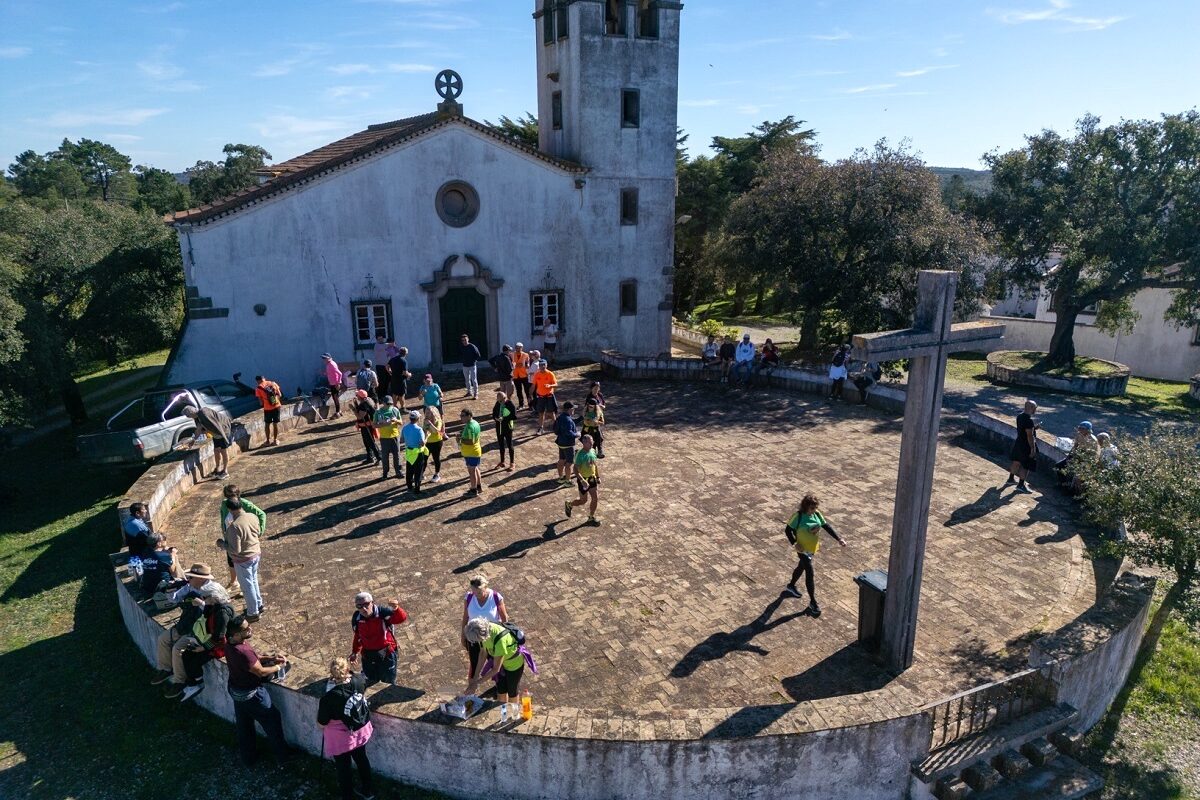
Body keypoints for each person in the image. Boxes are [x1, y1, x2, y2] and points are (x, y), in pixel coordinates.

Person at [225, 615, 291, 767]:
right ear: (235, 634)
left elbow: (253, 658)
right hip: (252, 695)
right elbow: (260, 672)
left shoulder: (230, 645)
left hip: (236, 691)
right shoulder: (242, 652)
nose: (250, 629)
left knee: (244, 727)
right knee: (272, 720)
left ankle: (249, 757)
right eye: (245, 629)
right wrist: (278, 667)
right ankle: (283, 757)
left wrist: (271, 658)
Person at [151, 569, 226, 695]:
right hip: (187, 623)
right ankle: (166, 669)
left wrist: (201, 604)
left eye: (191, 577)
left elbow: (218, 610)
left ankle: (180, 681)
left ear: (201, 579)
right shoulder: (190, 586)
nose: (188, 579)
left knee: (177, 649)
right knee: (163, 639)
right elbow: (174, 600)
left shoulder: (212, 590)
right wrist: (170, 588)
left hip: (201, 630)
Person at [318, 657, 375, 800]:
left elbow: (321, 723)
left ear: (332, 675)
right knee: (362, 760)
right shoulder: (359, 681)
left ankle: (347, 796)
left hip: (340, 738)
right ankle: (368, 791)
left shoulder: (328, 698)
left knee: (343, 768)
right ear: (347, 669)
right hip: (359, 729)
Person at [782, 494, 846, 617]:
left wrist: (839, 539)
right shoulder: (798, 516)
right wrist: (795, 543)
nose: (814, 511)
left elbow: (826, 526)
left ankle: (791, 586)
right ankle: (813, 602)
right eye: (812, 508)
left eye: (815, 508)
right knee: (809, 572)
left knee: (801, 567)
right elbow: (787, 530)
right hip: (802, 550)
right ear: (805, 507)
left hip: (812, 549)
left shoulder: (816, 514)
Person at [178, 583, 236, 702]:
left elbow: (219, 637)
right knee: (186, 654)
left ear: (214, 597)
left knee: (193, 659)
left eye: (205, 597)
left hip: (219, 646)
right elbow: (206, 616)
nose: (203, 599)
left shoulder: (222, 613)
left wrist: (203, 648)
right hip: (211, 640)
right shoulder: (214, 605)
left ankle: (196, 684)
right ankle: (195, 682)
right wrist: (202, 604)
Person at [463, 618, 525, 713]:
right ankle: (503, 713)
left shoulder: (500, 639)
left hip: (514, 665)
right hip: (500, 662)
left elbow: (496, 669)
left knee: (512, 692)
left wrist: (477, 683)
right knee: (501, 690)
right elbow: (483, 653)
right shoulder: (480, 630)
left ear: (484, 635)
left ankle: (514, 714)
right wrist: (475, 678)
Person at [349, 591, 408, 686]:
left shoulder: (382, 613)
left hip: (386, 653)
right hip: (368, 654)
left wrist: (396, 608)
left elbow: (401, 619)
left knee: (388, 680)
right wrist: (355, 652)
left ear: (372, 602)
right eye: (359, 606)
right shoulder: (357, 618)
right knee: (370, 678)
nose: (364, 609)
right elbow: (358, 636)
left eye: (366, 604)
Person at [221, 496, 265, 621]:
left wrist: (223, 544)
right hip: (255, 553)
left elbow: (235, 550)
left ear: (230, 509)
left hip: (243, 559)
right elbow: (257, 532)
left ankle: (253, 612)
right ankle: (259, 604)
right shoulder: (252, 516)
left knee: (247, 586)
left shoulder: (234, 526)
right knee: (253, 580)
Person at [459, 575, 509, 683]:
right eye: (474, 592)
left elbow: (504, 618)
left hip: (492, 638)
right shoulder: (468, 597)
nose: (476, 595)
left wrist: (503, 638)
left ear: (486, 586)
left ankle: (499, 686)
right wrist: (463, 636)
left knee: (496, 664)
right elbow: (465, 617)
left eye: (479, 592)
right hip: (473, 637)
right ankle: (471, 688)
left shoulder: (496, 597)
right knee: (474, 663)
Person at [181, 404, 232, 479]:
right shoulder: (197, 417)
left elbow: (216, 424)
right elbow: (198, 430)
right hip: (216, 434)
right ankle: (217, 469)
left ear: (191, 413)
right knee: (216, 451)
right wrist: (193, 440)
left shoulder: (204, 413)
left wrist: (224, 437)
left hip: (223, 431)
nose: (188, 417)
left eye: (188, 416)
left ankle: (225, 471)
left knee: (223, 451)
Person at [1004, 399, 1039, 494]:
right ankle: (1021, 485)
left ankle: (1010, 479)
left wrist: (1034, 428)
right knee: (1025, 465)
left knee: (1016, 462)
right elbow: (1029, 436)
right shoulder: (1029, 420)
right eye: (1035, 408)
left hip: (1018, 443)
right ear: (1031, 408)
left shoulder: (1019, 416)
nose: (1035, 410)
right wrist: (1032, 448)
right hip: (1026, 446)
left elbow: (1023, 430)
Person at [564, 433, 600, 524]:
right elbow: (575, 469)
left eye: (592, 442)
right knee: (583, 501)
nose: (592, 444)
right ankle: (569, 504)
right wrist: (582, 480)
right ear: (584, 443)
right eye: (590, 443)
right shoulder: (580, 455)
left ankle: (591, 517)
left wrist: (597, 476)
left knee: (595, 498)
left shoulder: (592, 451)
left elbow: (595, 465)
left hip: (592, 478)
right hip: (583, 480)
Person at [1057, 420, 1100, 496]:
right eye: (1079, 428)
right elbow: (1075, 446)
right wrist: (1069, 457)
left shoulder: (1092, 440)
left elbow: (1093, 455)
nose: (1079, 430)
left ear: (1088, 430)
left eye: (1082, 428)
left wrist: (1084, 462)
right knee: (1059, 466)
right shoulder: (1079, 435)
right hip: (1077, 456)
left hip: (1087, 460)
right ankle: (1063, 485)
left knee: (1078, 477)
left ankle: (1078, 494)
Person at [373, 395, 404, 480]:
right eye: (388, 403)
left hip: (395, 436)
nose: (389, 405)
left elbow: (401, 422)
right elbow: (374, 425)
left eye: (391, 403)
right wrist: (383, 424)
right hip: (384, 438)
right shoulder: (378, 412)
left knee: (397, 455)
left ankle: (398, 471)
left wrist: (396, 420)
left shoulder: (395, 410)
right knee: (385, 456)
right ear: (383, 403)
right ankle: (385, 473)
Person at [401, 410, 429, 494]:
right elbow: (422, 443)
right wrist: (427, 436)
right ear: (417, 419)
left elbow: (402, 439)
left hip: (409, 452)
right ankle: (417, 489)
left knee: (409, 470)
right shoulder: (419, 429)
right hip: (418, 453)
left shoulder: (405, 428)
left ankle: (409, 486)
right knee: (418, 471)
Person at [351, 389, 381, 464]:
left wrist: (353, 409)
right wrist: (356, 404)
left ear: (360, 397)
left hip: (367, 426)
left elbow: (360, 416)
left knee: (370, 442)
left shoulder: (364, 405)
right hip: (367, 425)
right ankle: (370, 457)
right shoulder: (368, 400)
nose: (356, 396)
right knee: (366, 442)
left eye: (357, 395)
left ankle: (378, 457)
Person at [459, 408, 484, 494]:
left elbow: (471, 441)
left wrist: (460, 439)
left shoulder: (470, 426)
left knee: (472, 472)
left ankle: (473, 490)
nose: (461, 418)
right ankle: (478, 486)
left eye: (463, 416)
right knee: (476, 469)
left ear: (469, 416)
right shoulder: (475, 423)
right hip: (475, 452)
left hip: (471, 453)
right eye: (460, 416)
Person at [553, 401, 579, 484]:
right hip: (568, 445)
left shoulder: (561, 417)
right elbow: (569, 432)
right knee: (569, 463)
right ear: (570, 409)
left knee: (561, 460)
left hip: (561, 443)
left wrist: (581, 418)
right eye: (573, 409)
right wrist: (577, 434)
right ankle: (568, 481)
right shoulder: (568, 420)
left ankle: (561, 478)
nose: (574, 410)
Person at [254, 375, 284, 446]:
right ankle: (275, 440)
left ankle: (267, 441)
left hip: (267, 409)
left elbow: (261, 403)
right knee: (275, 424)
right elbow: (280, 395)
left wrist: (266, 402)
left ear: (257, 381)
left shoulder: (258, 388)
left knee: (267, 425)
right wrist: (274, 401)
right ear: (264, 378)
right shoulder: (273, 383)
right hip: (276, 406)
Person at [491, 389, 517, 471]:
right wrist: (496, 418)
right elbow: (494, 413)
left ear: (505, 397)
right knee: (501, 445)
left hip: (508, 427)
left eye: (502, 400)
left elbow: (514, 416)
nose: (501, 402)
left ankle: (512, 463)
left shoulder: (510, 404)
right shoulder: (498, 403)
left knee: (510, 445)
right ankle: (502, 461)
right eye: (499, 401)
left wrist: (504, 418)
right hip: (499, 427)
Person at [532, 358, 558, 434]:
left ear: (546, 365)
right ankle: (541, 428)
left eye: (544, 365)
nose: (542, 366)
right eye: (541, 365)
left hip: (549, 396)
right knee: (541, 413)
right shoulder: (537, 374)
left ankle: (556, 427)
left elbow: (556, 384)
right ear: (539, 366)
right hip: (540, 396)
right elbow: (533, 385)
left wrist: (550, 385)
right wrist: (530, 395)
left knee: (551, 413)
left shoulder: (550, 374)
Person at [424, 405, 446, 483]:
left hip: (437, 442)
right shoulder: (425, 420)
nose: (426, 414)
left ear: (433, 413)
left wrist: (430, 424)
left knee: (436, 458)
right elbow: (425, 430)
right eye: (426, 412)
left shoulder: (438, 420)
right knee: (424, 459)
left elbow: (436, 431)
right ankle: (421, 474)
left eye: (428, 412)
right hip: (427, 443)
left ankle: (437, 474)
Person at [582, 392, 606, 459]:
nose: (590, 408)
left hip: (595, 427)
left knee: (598, 438)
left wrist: (597, 422)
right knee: (586, 440)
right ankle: (588, 453)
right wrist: (587, 420)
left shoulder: (599, 412)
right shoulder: (585, 410)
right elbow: (584, 418)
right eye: (589, 406)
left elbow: (602, 422)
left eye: (592, 407)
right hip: (587, 428)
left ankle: (599, 451)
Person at [387, 346, 412, 411]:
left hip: (393, 379)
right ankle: (403, 408)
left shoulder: (393, 359)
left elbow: (387, 366)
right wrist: (409, 374)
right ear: (406, 353)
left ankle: (394, 407)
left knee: (394, 394)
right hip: (401, 380)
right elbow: (404, 372)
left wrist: (389, 371)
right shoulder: (404, 361)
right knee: (401, 394)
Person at [321, 354, 345, 419]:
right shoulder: (329, 364)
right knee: (335, 397)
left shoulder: (331, 364)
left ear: (329, 358)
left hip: (335, 384)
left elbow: (340, 373)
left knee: (335, 398)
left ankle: (337, 412)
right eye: (323, 358)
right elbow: (331, 372)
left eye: (325, 358)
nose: (324, 360)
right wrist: (325, 373)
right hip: (332, 383)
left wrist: (338, 383)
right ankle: (339, 411)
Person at [460, 333, 481, 399]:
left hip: (472, 366)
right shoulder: (462, 347)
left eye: (465, 340)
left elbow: (478, 355)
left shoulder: (472, 346)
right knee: (467, 380)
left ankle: (476, 394)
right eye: (463, 340)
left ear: (468, 339)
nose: (464, 341)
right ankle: (469, 392)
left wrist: (474, 361)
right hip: (465, 366)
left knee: (474, 380)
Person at [512, 343, 531, 409]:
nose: (518, 349)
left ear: (522, 348)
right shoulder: (512, 355)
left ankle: (530, 405)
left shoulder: (526, 355)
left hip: (524, 375)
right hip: (516, 376)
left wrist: (527, 365)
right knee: (519, 391)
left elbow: (527, 362)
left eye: (519, 348)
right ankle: (521, 405)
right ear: (515, 348)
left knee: (527, 391)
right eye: (517, 347)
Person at [526, 351, 542, 417]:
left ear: (535, 356)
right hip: (535, 381)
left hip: (532, 382)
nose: (531, 356)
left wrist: (527, 369)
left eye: (532, 355)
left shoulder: (535, 364)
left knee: (534, 396)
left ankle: (536, 411)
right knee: (535, 396)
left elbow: (530, 372)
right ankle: (537, 410)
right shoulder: (538, 362)